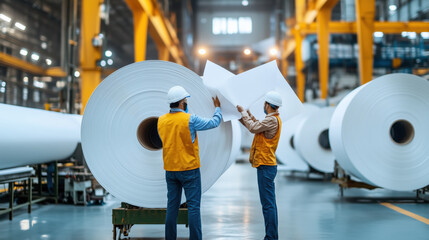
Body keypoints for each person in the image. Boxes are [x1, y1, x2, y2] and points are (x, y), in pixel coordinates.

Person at [157, 86, 222, 240]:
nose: (186, 103)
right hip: (189, 169)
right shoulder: (190, 119)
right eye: (185, 101)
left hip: (170, 170)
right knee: (193, 208)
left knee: (172, 208)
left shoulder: (161, 120)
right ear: (181, 103)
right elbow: (214, 122)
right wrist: (218, 108)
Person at [237, 91, 282, 240]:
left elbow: (253, 128)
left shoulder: (272, 120)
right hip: (266, 165)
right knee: (269, 204)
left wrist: (243, 112)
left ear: (268, 105)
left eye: (264, 104)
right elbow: (256, 125)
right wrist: (246, 115)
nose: (263, 106)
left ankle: (271, 237)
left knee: (268, 205)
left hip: (266, 165)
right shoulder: (271, 119)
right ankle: (272, 236)